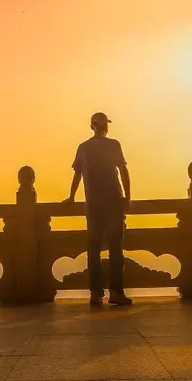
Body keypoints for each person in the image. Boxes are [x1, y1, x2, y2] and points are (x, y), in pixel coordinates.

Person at [67, 112, 132, 306]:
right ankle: (116, 292)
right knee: (115, 248)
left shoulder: (83, 148)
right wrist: (127, 197)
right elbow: (123, 170)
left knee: (93, 249)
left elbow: (77, 175)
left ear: (91, 126)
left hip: (93, 204)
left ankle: (95, 294)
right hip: (113, 201)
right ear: (105, 127)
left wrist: (71, 197)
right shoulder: (113, 145)